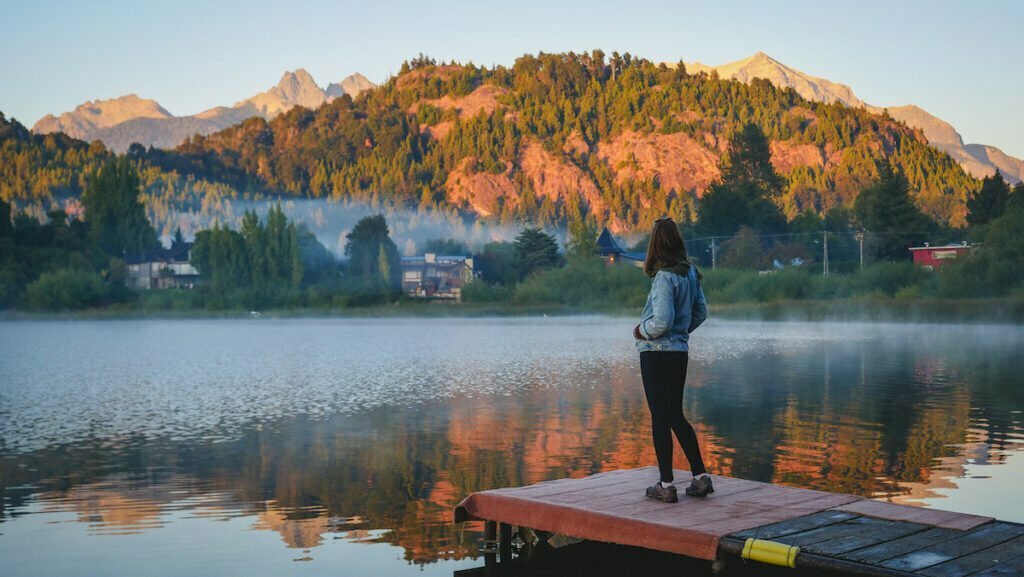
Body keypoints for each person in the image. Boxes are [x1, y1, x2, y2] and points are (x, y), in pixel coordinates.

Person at [633, 217, 711, 503]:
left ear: (656, 243)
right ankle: (701, 478)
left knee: (660, 418)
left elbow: (662, 320)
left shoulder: (665, 276)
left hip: (655, 355)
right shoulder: (690, 272)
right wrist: (680, 335)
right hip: (679, 353)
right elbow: (700, 313)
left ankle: (665, 484)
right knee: (676, 415)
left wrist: (642, 331)